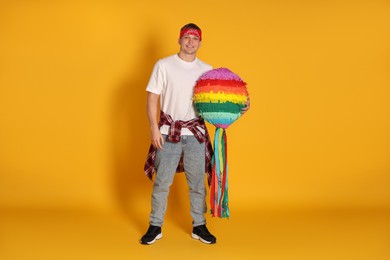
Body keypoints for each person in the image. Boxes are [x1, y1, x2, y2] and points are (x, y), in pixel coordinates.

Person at [140, 23, 250, 245]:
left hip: (196, 134)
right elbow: (152, 97)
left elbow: (217, 99)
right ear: (180, 40)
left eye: (195, 38)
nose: (191, 42)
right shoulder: (163, 65)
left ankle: (199, 226)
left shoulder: (207, 70)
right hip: (167, 132)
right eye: (187, 37)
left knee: (198, 183)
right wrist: (153, 128)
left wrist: (238, 106)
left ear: (200, 42)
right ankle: (155, 226)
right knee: (162, 182)